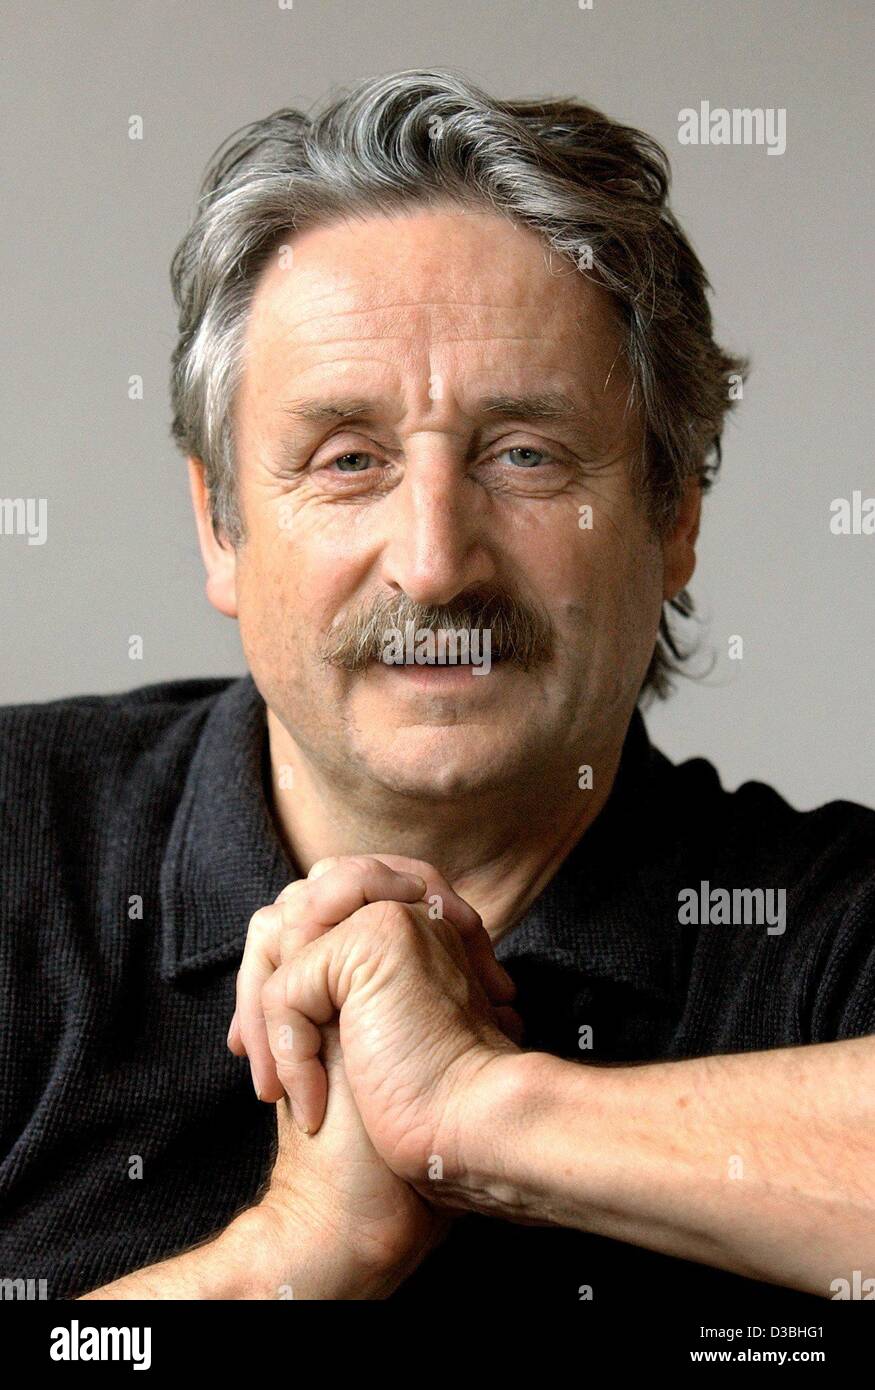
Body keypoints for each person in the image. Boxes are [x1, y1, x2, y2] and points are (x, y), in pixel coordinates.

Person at [1, 69, 872, 1305]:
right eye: (347, 459)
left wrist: (478, 1109)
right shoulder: (17, 840)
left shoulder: (820, 934)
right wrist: (292, 1257)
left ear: (670, 515)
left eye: (524, 454)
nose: (432, 560)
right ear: (220, 524)